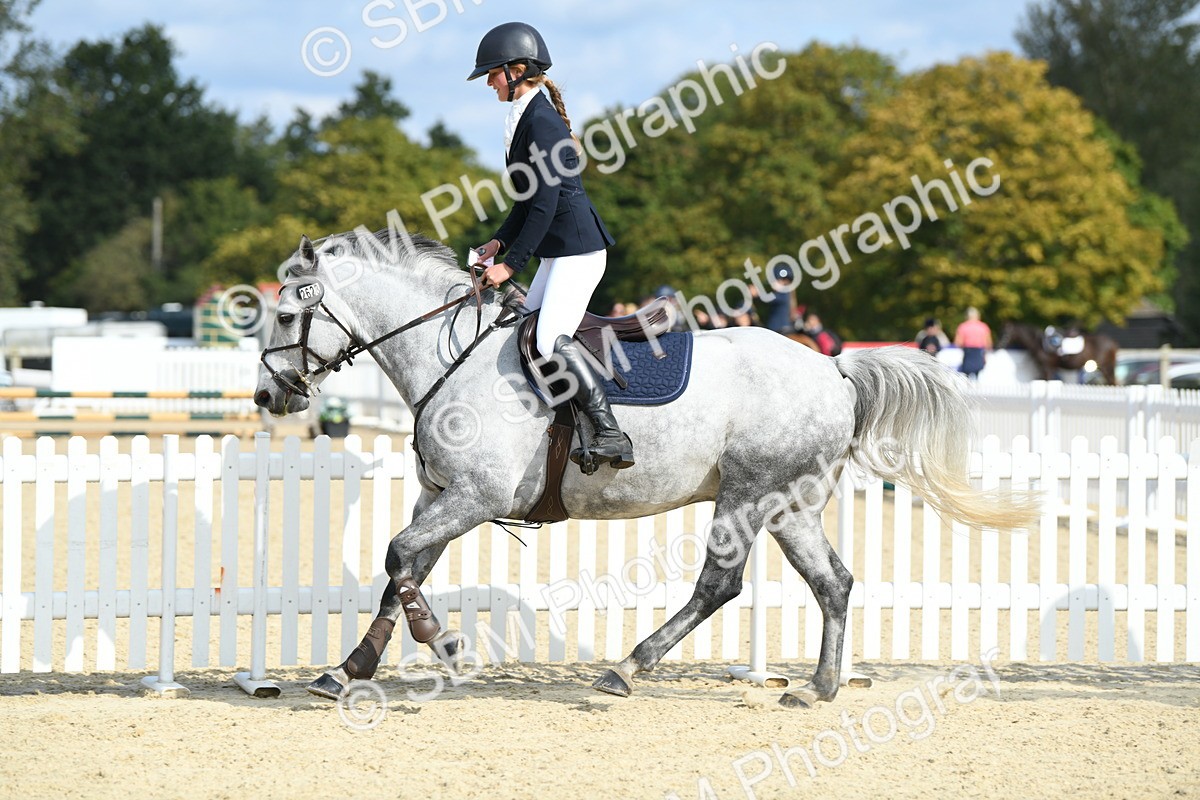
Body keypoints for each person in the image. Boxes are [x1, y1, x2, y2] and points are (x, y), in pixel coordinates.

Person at [468, 22, 631, 472]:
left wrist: (510, 266)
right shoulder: (526, 116)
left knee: (547, 336)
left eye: (493, 74)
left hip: (578, 253)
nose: (489, 82)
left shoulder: (541, 121)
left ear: (517, 70)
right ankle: (557, 420)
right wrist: (499, 242)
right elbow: (526, 202)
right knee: (523, 328)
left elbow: (545, 205)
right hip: (560, 253)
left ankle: (611, 433)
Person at [953, 306, 992, 379]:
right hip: (979, 353)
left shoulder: (963, 326)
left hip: (968, 352)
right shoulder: (983, 327)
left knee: (966, 376)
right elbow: (988, 343)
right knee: (978, 375)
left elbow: (958, 343)